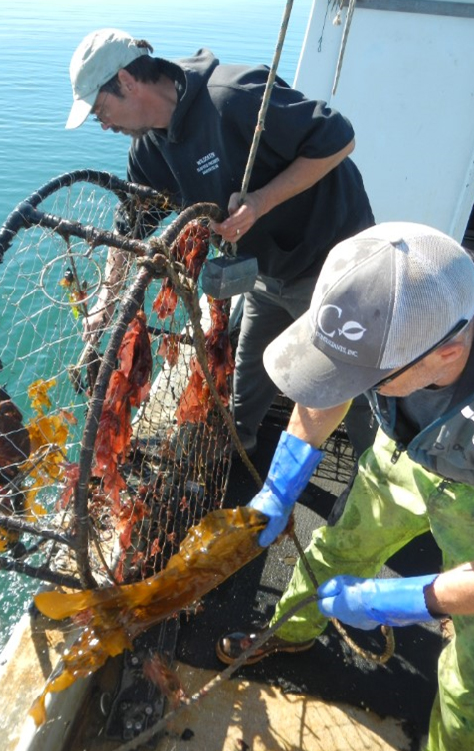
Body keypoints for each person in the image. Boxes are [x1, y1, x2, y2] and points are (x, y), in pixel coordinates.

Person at [216, 221, 474, 751]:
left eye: (369, 377)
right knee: (337, 547)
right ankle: (292, 629)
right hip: (407, 454)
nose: (349, 385)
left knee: (471, 685)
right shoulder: (399, 320)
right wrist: (282, 484)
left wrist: (415, 598)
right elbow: (327, 384)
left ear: (450, 353)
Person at [64, 27, 376, 457]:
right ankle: (233, 450)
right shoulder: (147, 151)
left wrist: (262, 201)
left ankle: (373, 466)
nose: (103, 125)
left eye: (101, 109)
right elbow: (131, 228)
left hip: (331, 260)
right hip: (266, 271)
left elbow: (339, 139)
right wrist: (105, 300)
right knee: (250, 371)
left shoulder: (233, 96)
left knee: (350, 383)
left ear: (127, 81)